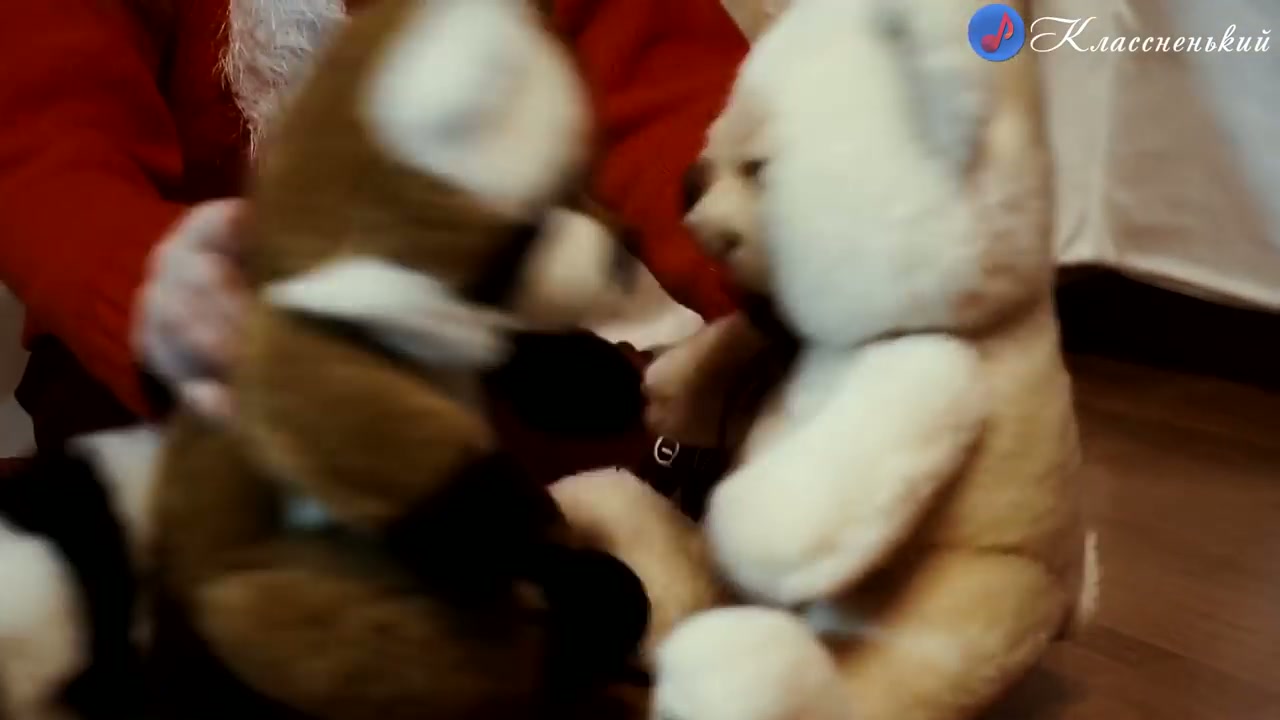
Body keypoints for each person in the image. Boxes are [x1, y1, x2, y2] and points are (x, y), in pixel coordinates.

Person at [0, 0, 748, 471]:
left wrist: (775, 260)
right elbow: (46, 146)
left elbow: (675, 104)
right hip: (181, 356)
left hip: (467, 336)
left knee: (669, 439)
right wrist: (149, 283)